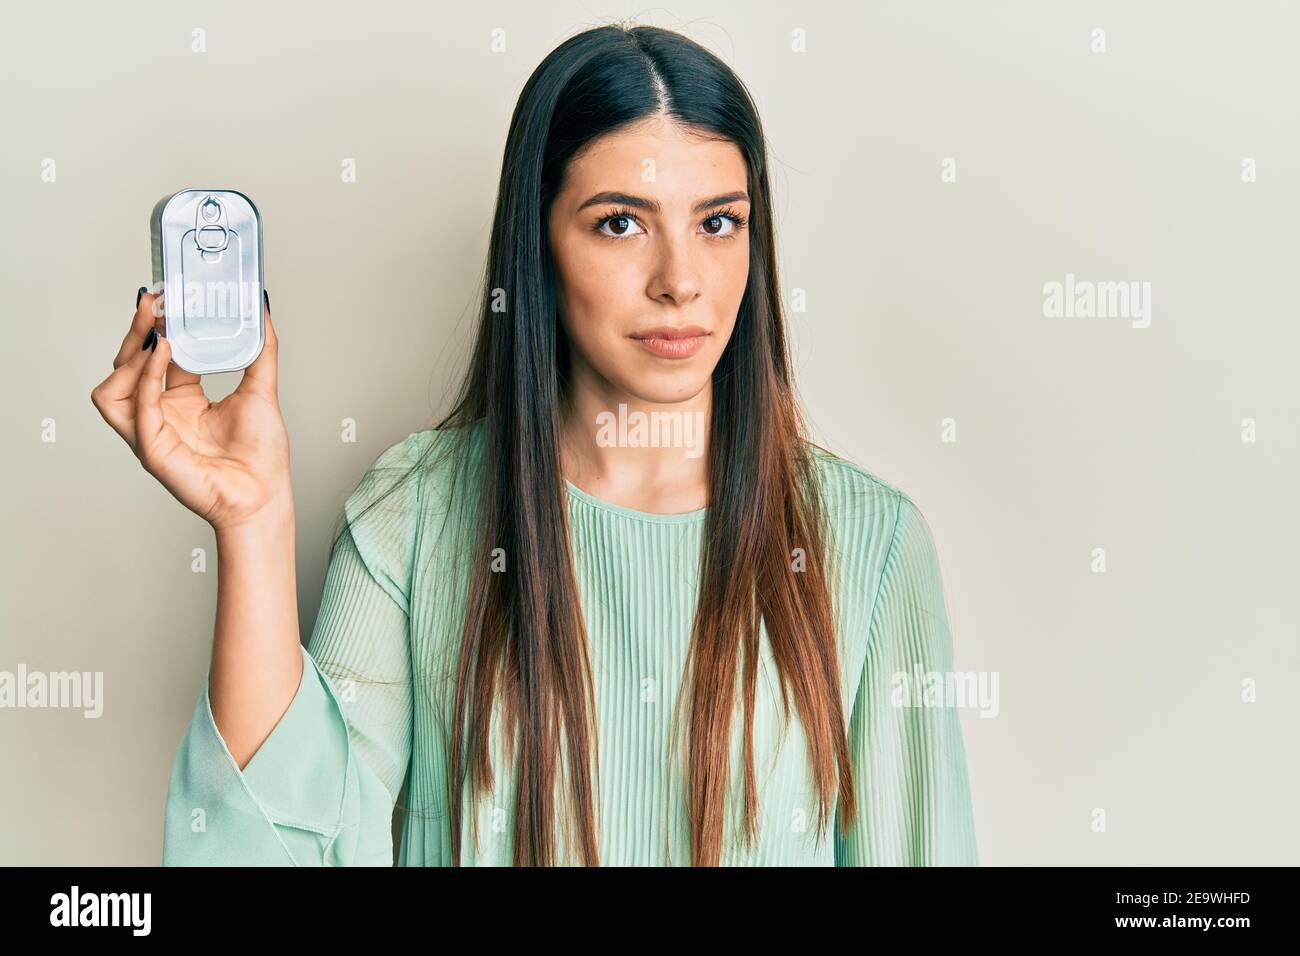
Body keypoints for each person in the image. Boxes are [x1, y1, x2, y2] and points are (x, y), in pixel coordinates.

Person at [91, 24, 978, 867]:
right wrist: (252, 524)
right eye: (621, 222)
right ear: (538, 246)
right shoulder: (414, 514)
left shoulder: (870, 543)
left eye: (718, 222)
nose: (681, 282)